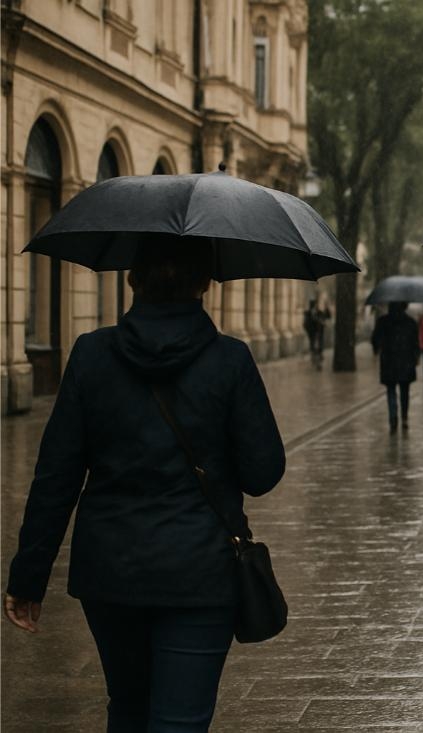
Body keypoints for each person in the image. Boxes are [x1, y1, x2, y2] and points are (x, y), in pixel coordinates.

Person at [4, 237, 285, 732]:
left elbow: (55, 476)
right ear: (205, 282)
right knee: (181, 721)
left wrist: (29, 577)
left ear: (132, 277)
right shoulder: (230, 360)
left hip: (110, 571)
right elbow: (263, 474)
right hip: (200, 572)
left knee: (128, 709)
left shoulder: (91, 354)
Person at [371, 301, 419, 433]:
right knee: (405, 391)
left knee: (391, 390)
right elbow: (415, 342)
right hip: (406, 361)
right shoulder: (410, 322)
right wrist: (416, 357)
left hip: (389, 361)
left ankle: (393, 418)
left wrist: (377, 348)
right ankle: (404, 418)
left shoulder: (383, 321)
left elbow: (375, 339)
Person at [303, 297, 331, 370]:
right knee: (314, 347)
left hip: (319, 333)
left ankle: (318, 363)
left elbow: (328, 316)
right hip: (312, 334)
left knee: (319, 348)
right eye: (314, 305)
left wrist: (327, 307)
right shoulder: (307, 314)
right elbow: (305, 324)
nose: (315, 307)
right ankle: (315, 361)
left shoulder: (320, 313)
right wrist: (309, 330)